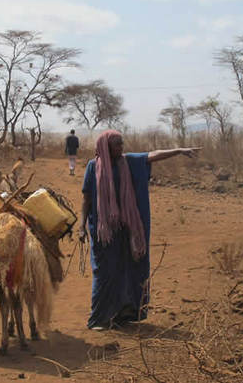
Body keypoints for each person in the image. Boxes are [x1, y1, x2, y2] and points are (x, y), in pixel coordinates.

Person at [79, 130, 200, 330]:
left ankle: (125, 313)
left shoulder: (129, 162)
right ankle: (99, 318)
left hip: (128, 228)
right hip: (104, 231)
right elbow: (86, 200)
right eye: (117, 145)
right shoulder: (93, 167)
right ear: (106, 147)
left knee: (130, 268)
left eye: (122, 144)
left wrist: (179, 150)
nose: (121, 148)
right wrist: (81, 226)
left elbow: (154, 154)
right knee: (105, 272)